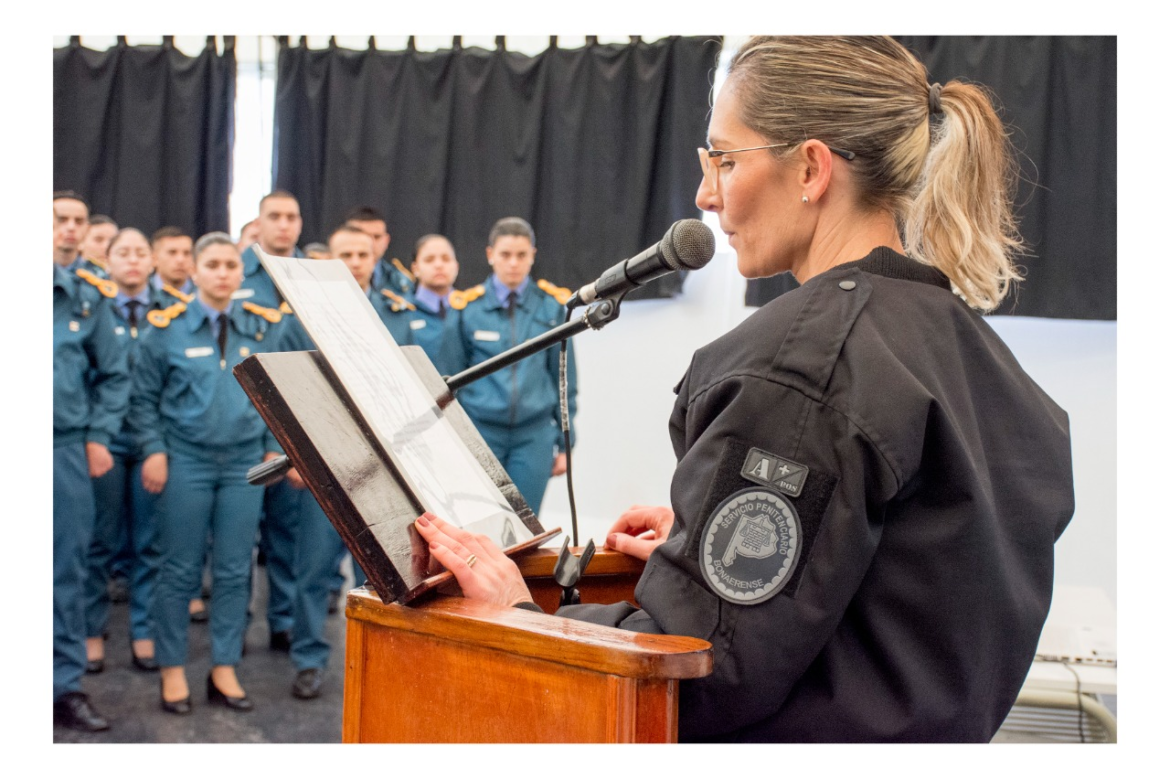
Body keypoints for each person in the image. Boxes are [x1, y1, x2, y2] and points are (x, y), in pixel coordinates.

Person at [413, 36, 1075, 743]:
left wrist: (517, 612)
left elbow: (699, 673)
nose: (706, 194)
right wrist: (709, 557)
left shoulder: (806, 365)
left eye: (724, 159)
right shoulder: (970, 351)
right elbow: (905, 588)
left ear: (811, 168)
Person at [129, 232, 286, 714]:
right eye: (212, 264)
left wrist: (270, 449)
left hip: (244, 465)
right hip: (186, 461)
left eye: (230, 265)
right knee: (178, 569)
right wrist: (153, 449)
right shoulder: (166, 328)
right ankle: (172, 669)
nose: (222, 272)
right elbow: (142, 399)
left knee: (236, 569)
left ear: (241, 274)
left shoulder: (262, 328)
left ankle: (224, 667)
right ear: (195, 271)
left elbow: (277, 400)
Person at [277, 224, 414, 700]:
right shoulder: (298, 316)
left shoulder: (399, 314)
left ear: (376, 255)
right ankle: (310, 660)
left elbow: (415, 386)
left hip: (383, 462)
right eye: (344, 253)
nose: (355, 261)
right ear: (327, 260)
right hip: (324, 457)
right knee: (313, 569)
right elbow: (284, 386)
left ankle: (378, 658)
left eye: (362, 252)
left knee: (380, 571)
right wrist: (294, 455)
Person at [53, 197, 130, 732]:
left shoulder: (88, 298)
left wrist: (99, 434)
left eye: (80, 220)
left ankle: (63, 686)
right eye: (59, 219)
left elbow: (115, 374)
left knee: (66, 571)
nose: (71, 228)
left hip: (61, 449)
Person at [82, 228, 169, 680]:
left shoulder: (171, 312)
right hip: (107, 444)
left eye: (140, 252)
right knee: (99, 541)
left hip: (153, 446)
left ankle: (143, 630)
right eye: (123, 253)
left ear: (152, 260)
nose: (133, 260)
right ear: (108, 261)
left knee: (149, 544)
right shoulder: (92, 307)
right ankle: (92, 631)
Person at [452, 217, 576, 516]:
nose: (513, 263)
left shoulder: (551, 307)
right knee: (478, 522)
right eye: (505, 254)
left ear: (533, 255)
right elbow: (452, 381)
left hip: (533, 437)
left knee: (525, 525)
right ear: (490, 254)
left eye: (521, 255)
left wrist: (566, 442)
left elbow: (563, 380)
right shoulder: (468, 309)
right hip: (480, 433)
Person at [236, 191, 305, 651]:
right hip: (242, 427)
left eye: (291, 217)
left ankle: (283, 622)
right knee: (237, 542)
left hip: (297, 430)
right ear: (257, 223)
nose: (283, 225)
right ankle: (234, 625)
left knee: (287, 537)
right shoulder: (235, 272)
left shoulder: (313, 276)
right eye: (274, 217)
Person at [407, 233, 465, 376]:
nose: (439, 265)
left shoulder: (470, 310)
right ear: (415, 268)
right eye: (429, 260)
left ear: (456, 266)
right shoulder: (403, 312)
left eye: (446, 259)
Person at [344, 205, 414, 296]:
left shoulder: (401, 281)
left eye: (377, 237)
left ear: (386, 241)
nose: (371, 243)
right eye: (363, 236)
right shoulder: (325, 276)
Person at [150, 226, 195, 303]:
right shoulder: (142, 294)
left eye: (187, 253)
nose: (180, 260)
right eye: (172, 252)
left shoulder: (203, 296)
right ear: (154, 259)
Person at [53, 191, 90, 270]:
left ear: (87, 228)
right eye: (61, 220)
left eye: (79, 221)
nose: (71, 227)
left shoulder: (98, 278)